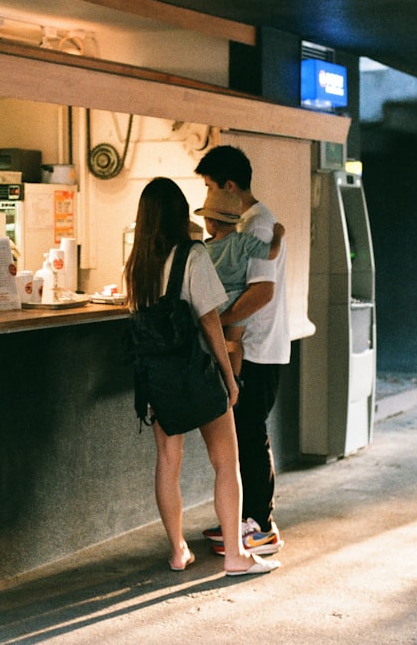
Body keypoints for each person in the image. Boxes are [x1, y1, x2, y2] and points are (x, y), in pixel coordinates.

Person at [124, 176, 280, 577]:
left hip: (158, 377)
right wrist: (229, 379)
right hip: (197, 373)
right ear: (180, 215)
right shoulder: (192, 255)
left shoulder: (137, 264)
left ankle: (177, 551)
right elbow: (210, 320)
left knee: (167, 462)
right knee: (226, 464)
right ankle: (234, 556)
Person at [195, 145, 289, 557]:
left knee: (250, 434)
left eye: (210, 186)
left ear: (228, 186)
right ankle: (243, 517)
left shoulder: (257, 226)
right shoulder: (248, 225)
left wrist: (224, 323)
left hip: (257, 347)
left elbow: (262, 292)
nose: (208, 195)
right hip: (250, 345)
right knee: (242, 432)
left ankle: (260, 525)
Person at [194, 187, 285, 377]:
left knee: (213, 343)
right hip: (236, 299)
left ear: (211, 222)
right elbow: (272, 253)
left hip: (215, 300)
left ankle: (217, 377)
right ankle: (233, 380)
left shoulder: (205, 248)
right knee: (233, 342)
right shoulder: (243, 242)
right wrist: (278, 235)